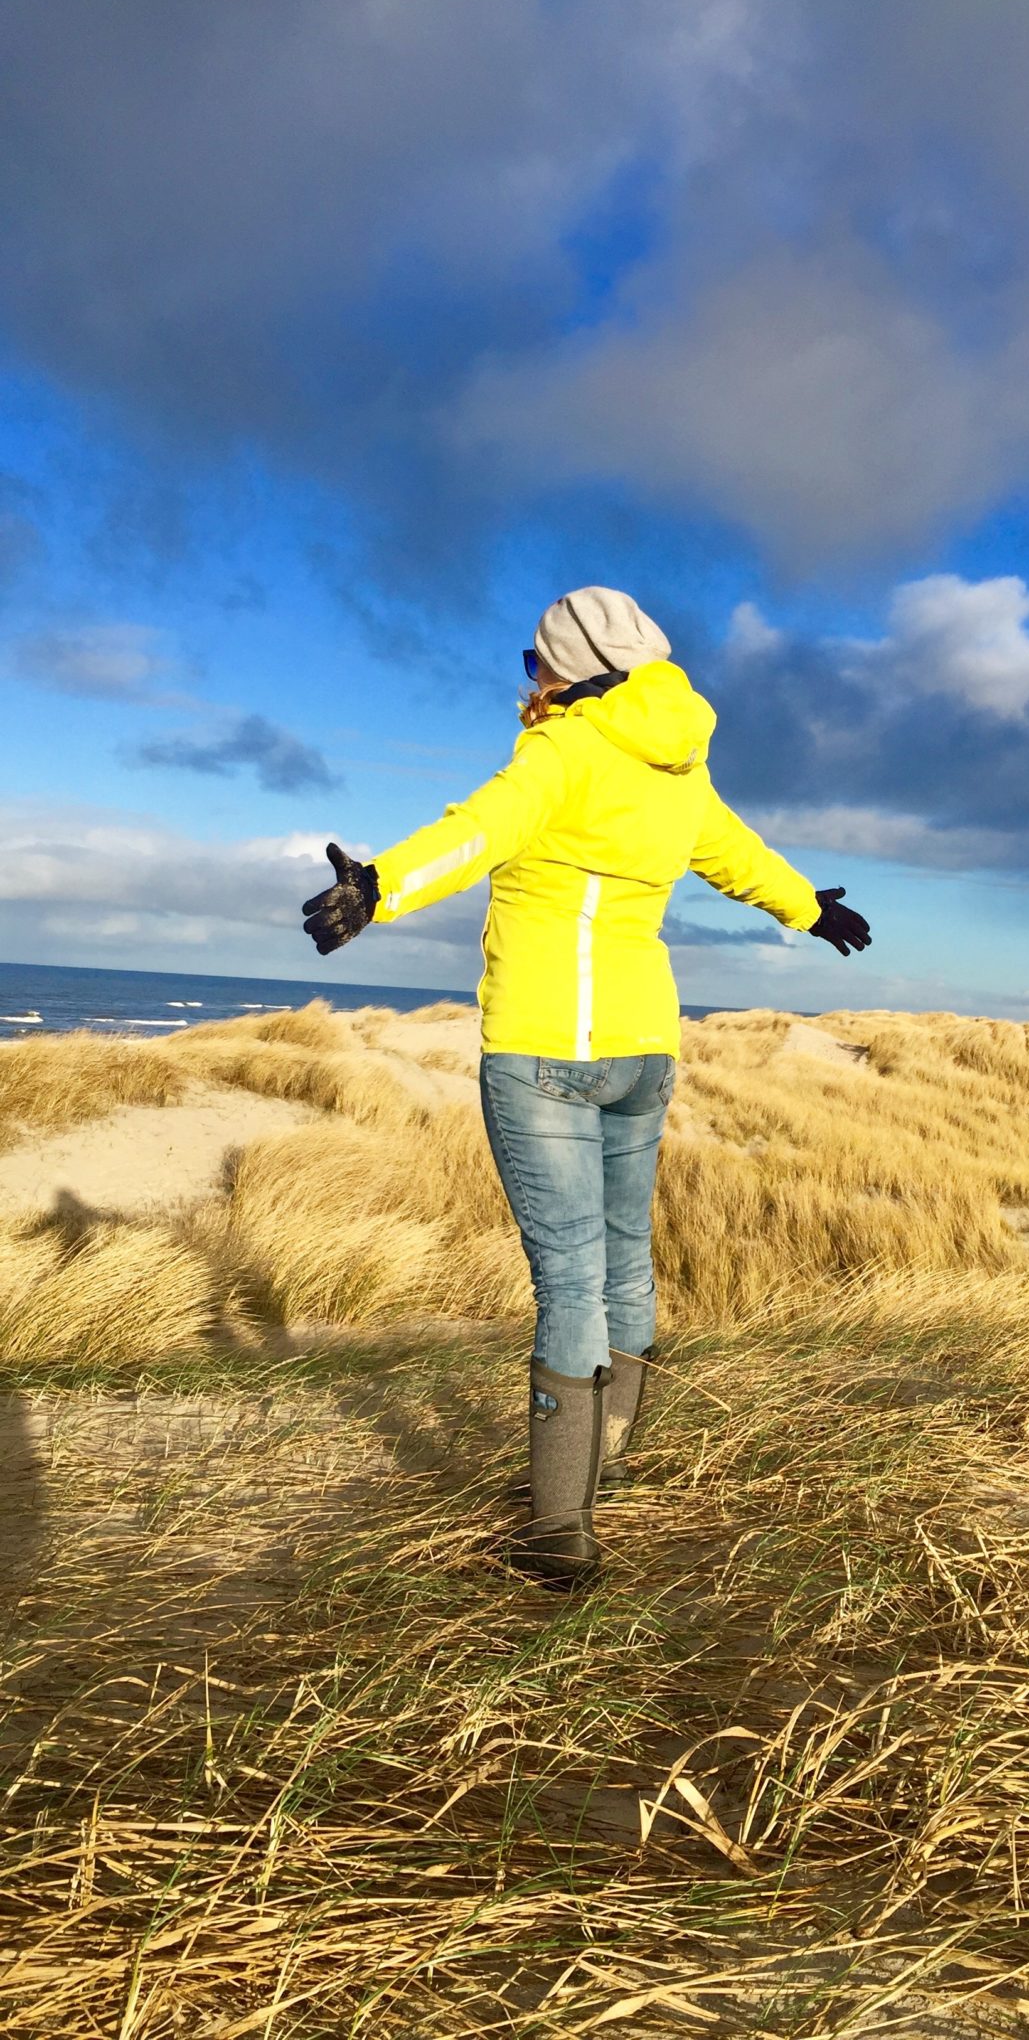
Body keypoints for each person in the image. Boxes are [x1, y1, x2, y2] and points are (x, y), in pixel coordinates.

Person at [301, 587, 870, 1591]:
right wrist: (810, 909)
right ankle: (602, 1467)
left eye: (535, 661)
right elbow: (740, 859)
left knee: (570, 1277)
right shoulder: (680, 766)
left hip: (544, 1046)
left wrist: (379, 884)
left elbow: (476, 830)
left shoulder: (562, 752)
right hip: (645, 1047)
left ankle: (558, 1530)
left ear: (575, 669)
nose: (530, 678)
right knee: (622, 1262)